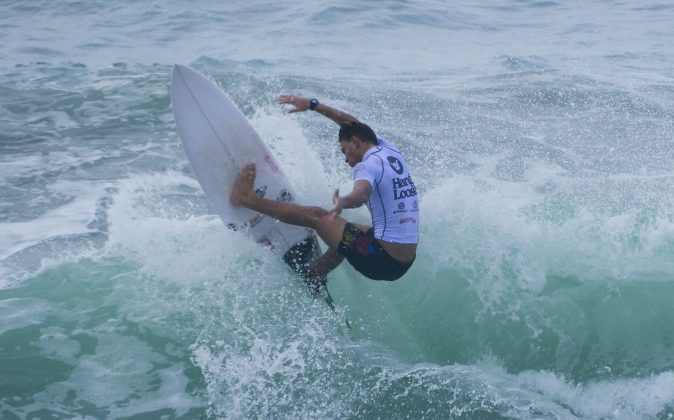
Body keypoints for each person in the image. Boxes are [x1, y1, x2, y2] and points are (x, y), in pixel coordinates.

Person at [230, 95, 419, 284]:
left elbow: (361, 193)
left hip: (380, 260)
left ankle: (247, 199)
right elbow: (353, 124)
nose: (346, 160)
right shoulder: (388, 149)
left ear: (355, 143)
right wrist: (314, 106)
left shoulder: (367, 165)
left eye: (344, 151)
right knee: (347, 230)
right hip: (402, 261)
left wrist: (344, 201)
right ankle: (315, 273)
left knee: (318, 216)